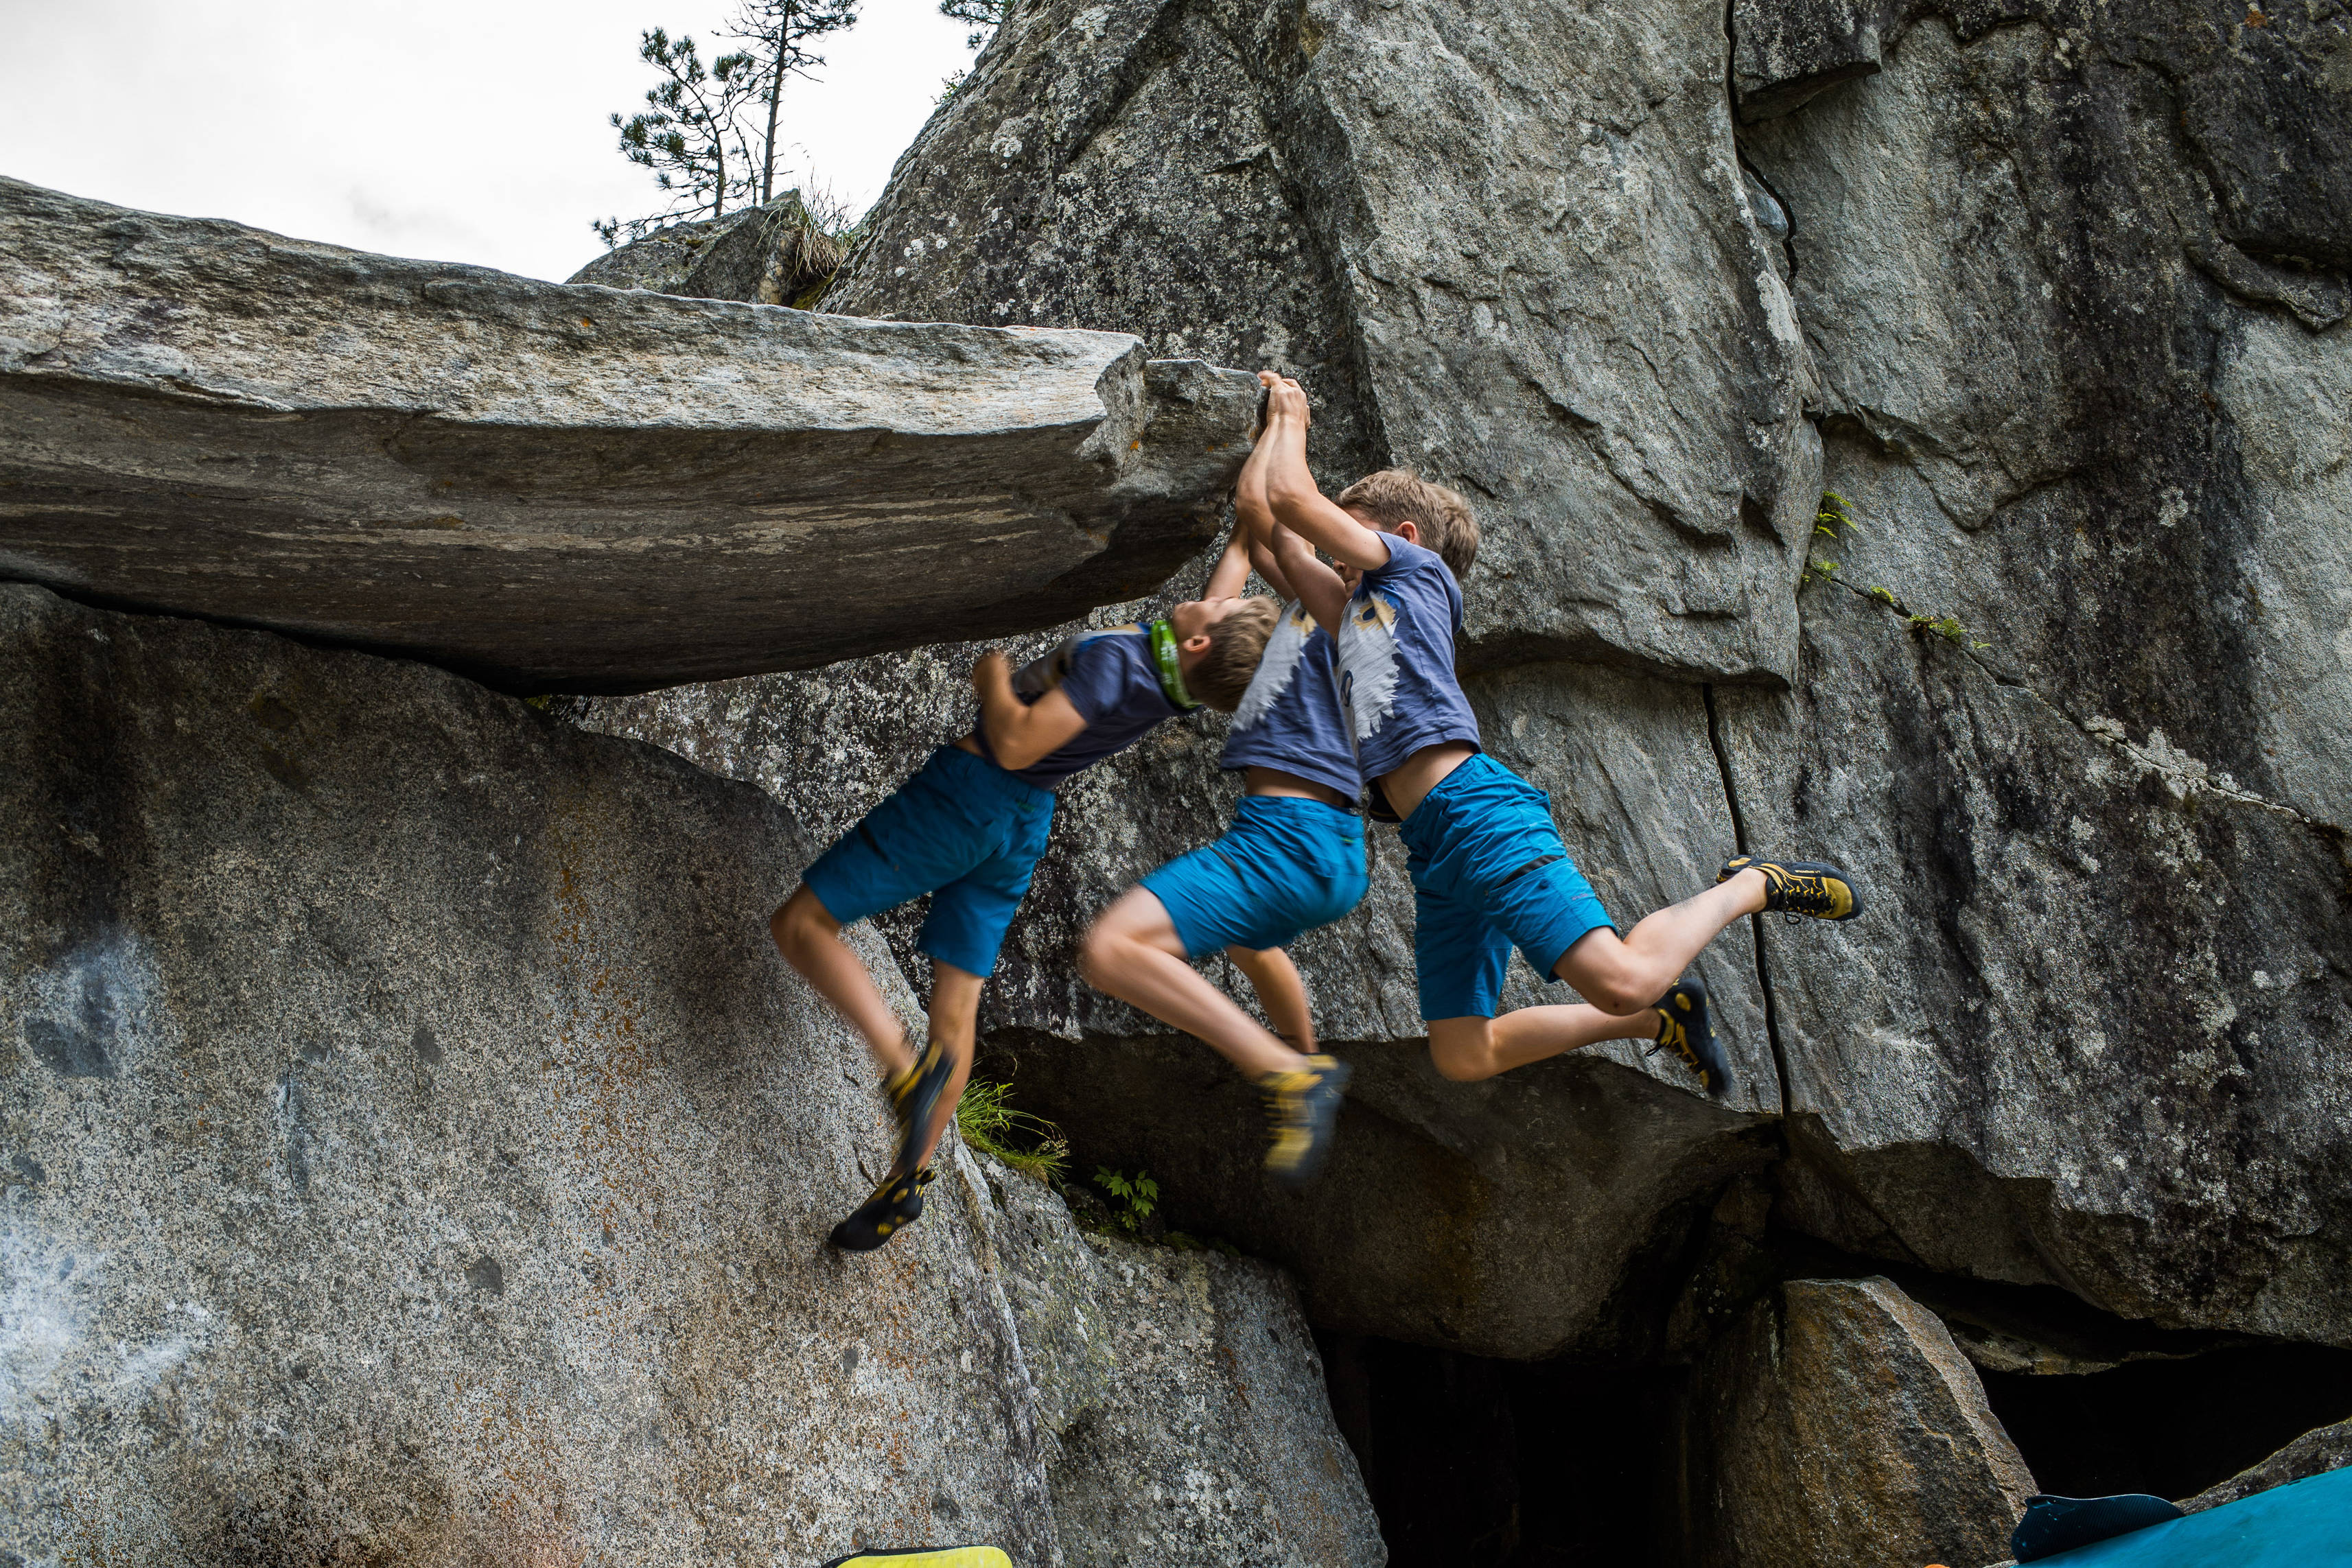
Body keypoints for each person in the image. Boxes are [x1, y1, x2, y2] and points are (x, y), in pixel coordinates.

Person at [1253, 371, 1863, 1091]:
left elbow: (1293, 501)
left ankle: (1751, 884)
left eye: (1347, 546)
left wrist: (1290, 414)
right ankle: (1658, 1021)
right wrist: (1257, 436)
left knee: (1621, 976)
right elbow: (1275, 543)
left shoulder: (1416, 577)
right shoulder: (1360, 616)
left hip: (1475, 812)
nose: (1335, 563)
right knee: (1462, 1053)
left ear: (1404, 538)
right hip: (1433, 846)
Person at [773, 554, 1279, 1250]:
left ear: (1199, 640)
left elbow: (1014, 742)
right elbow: (1225, 589)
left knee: (801, 922)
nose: (1224, 596)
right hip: (1021, 827)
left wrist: (991, 675)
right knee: (956, 1007)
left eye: (1223, 607)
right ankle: (909, 1180)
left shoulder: (1118, 667)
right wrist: (1259, 496)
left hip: (971, 793)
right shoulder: (1181, 675)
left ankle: (901, 1065)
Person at [1080, 418, 1369, 1184]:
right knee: (1247, 941)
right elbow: (1224, 603)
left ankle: (1286, 1071)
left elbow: (1258, 504)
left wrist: (1284, 417)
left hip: (1287, 841)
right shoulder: (1310, 655)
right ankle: (1306, 1065)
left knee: (1112, 949)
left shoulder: (1301, 635)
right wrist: (1243, 540)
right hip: (1340, 858)